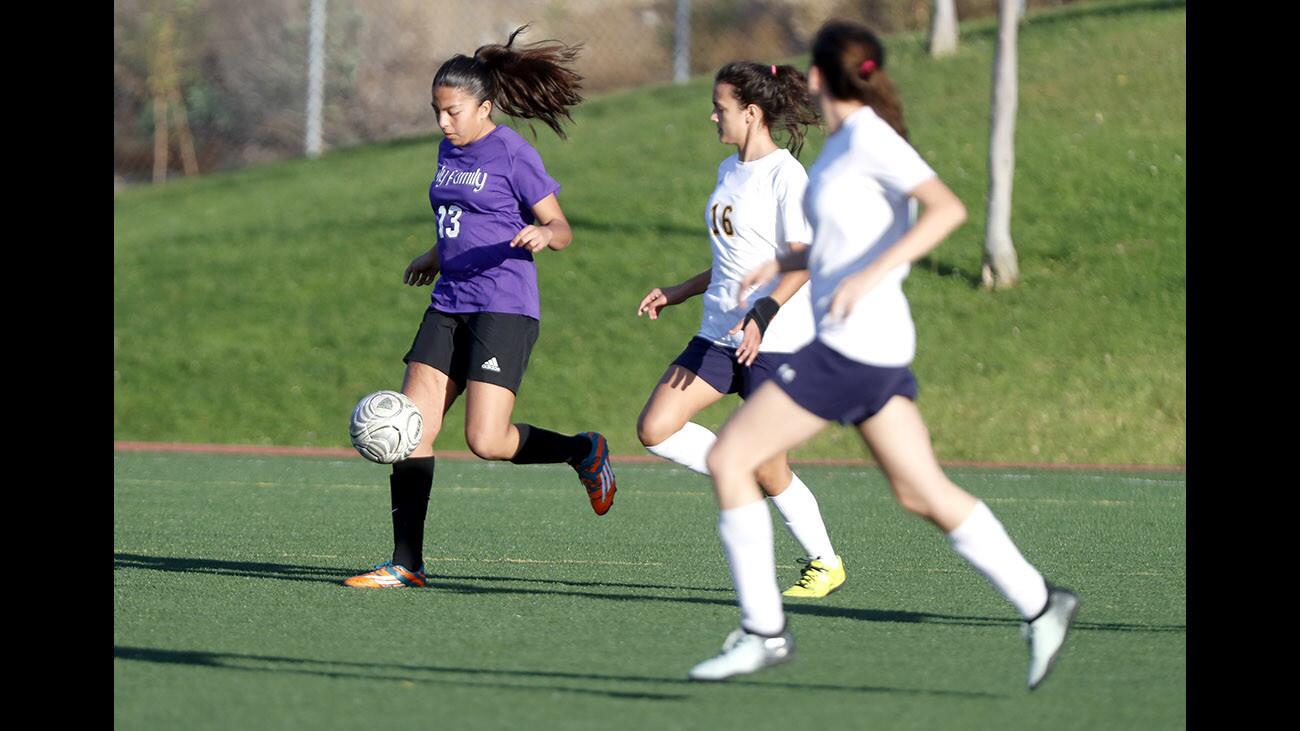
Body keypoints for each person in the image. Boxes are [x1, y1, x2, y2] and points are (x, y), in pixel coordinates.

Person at [686, 21, 1080, 689]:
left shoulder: (870, 139)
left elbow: (945, 209)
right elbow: (843, 243)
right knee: (920, 491)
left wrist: (874, 274)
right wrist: (783, 260)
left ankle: (764, 631)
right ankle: (1043, 604)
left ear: (817, 76)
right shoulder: (843, 146)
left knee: (730, 457)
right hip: (868, 347)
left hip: (851, 345)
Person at [345, 26, 617, 590]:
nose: (443, 123)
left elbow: (561, 227)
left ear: (485, 106)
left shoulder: (513, 151)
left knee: (486, 442)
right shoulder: (450, 147)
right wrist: (433, 254)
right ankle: (406, 563)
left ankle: (582, 451)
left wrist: (545, 234)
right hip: (448, 302)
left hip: (503, 306)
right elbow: (464, 219)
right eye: (436, 111)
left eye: (453, 112)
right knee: (413, 427)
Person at [636, 61, 845, 598]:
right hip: (717, 334)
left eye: (721, 108)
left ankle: (825, 562)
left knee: (772, 468)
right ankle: (736, 470)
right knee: (656, 427)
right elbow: (734, 257)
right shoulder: (729, 170)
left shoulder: (785, 176)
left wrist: (763, 314)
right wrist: (680, 291)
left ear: (751, 114)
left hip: (771, 342)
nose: (713, 116)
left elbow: (799, 259)